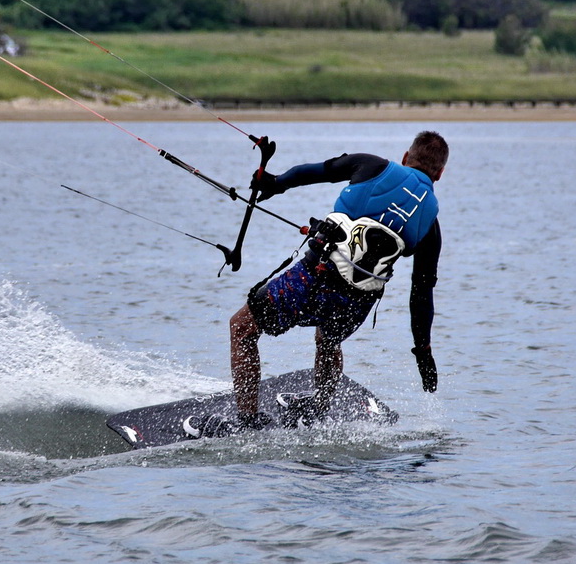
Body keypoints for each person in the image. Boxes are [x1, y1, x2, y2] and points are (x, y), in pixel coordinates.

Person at [186, 130, 448, 438]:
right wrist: (423, 352)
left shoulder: (373, 165)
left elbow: (314, 171)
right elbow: (421, 296)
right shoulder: (431, 222)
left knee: (242, 328)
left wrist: (275, 183)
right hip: (358, 303)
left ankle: (246, 422)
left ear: (406, 157)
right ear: (440, 174)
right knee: (329, 340)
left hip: (313, 277)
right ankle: (318, 410)